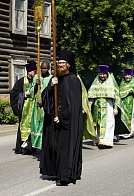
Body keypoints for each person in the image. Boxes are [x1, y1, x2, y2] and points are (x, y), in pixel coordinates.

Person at [40, 49, 83, 186]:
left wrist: (62, 116)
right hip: (54, 119)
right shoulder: (56, 79)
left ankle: (64, 176)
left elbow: (74, 105)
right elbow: (45, 98)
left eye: (63, 63)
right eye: (59, 63)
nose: (60, 65)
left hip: (67, 121)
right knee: (54, 146)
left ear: (69, 65)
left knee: (65, 149)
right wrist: (51, 86)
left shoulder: (73, 81)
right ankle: (55, 171)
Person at [87, 65, 124, 148]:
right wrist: (88, 106)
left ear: (107, 74)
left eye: (104, 74)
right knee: (97, 123)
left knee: (109, 123)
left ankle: (106, 141)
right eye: (100, 74)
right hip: (97, 106)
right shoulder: (95, 83)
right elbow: (91, 97)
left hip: (108, 105)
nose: (102, 76)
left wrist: (115, 108)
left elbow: (116, 97)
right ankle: (98, 139)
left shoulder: (111, 83)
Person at [10, 62, 37, 155]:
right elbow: (13, 93)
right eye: (34, 71)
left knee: (33, 127)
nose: (35, 72)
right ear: (29, 71)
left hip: (33, 108)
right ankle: (22, 148)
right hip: (24, 109)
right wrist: (24, 94)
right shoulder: (21, 81)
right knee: (23, 127)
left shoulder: (36, 81)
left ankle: (31, 147)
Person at [30, 61, 53, 150]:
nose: (44, 70)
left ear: (48, 68)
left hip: (46, 106)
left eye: (46, 68)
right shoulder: (36, 77)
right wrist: (36, 85)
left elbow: (50, 93)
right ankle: (35, 144)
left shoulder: (51, 78)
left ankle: (42, 145)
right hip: (37, 105)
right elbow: (31, 90)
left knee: (43, 125)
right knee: (35, 124)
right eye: (42, 68)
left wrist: (43, 101)